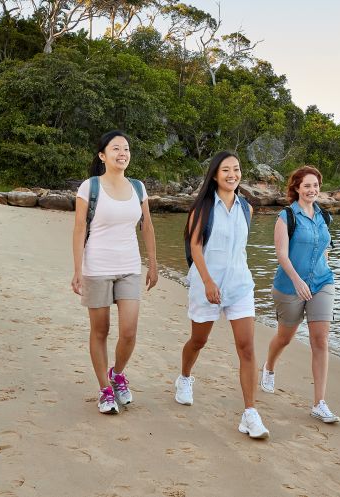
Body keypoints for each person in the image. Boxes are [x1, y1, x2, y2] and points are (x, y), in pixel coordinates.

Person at [174, 151, 269, 439]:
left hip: (240, 286)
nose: (232, 174)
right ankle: (185, 378)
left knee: (247, 348)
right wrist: (207, 282)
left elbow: (239, 250)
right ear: (215, 174)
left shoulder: (246, 208)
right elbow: (195, 248)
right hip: (208, 286)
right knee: (199, 340)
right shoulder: (202, 208)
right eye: (225, 169)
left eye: (236, 169)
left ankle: (250, 414)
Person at [71, 130, 158, 415]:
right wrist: (77, 269)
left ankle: (117, 374)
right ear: (102, 155)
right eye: (116, 148)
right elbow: (80, 228)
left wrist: (154, 264)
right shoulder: (89, 187)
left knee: (129, 332)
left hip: (130, 267)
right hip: (97, 267)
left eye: (126, 149)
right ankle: (104, 390)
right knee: (100, 330)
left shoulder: (138, 187)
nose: (123, 153)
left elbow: (147, 225)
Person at [260, 166, 340, 423]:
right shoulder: (286, 216)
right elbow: (281, 254)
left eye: (315, 185)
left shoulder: (324, 216)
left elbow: (325, 247)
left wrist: (323, 269)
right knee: (285, 337)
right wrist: (297, 281)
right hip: (289, 285)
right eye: (306, 186)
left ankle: (319, 403)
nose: (312, 190)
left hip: (322, 282)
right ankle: (269, 366)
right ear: (296, 188)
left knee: (321, 340)